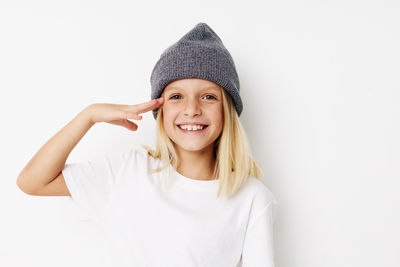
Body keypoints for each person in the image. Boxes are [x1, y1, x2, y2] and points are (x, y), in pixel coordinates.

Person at [17, 22, 278, 267]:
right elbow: (33, 181)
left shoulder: (252, 198)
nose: (191, 109)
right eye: (176, 96)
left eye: (208, 97)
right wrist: (90, 115)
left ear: (227, 110)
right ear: (159, 109)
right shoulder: (128, 171)